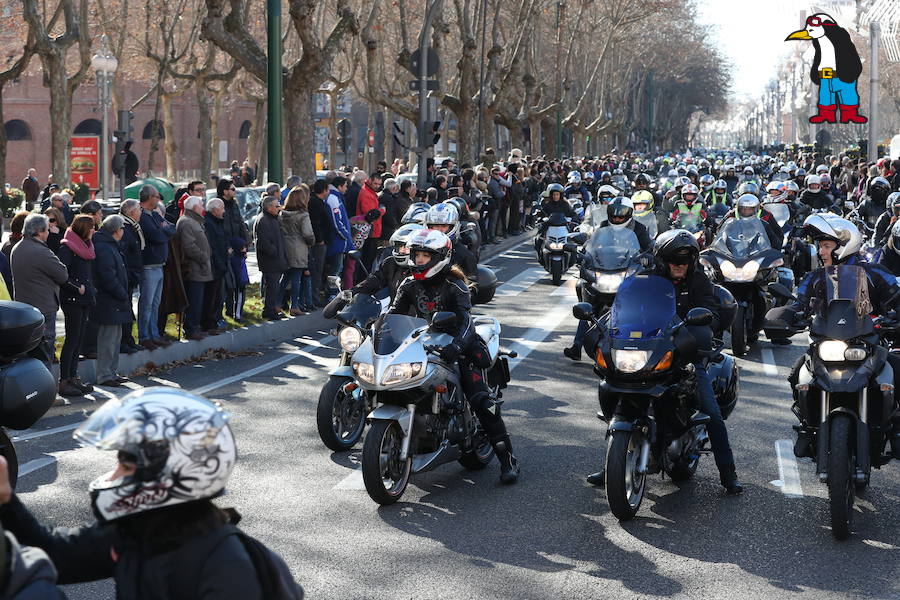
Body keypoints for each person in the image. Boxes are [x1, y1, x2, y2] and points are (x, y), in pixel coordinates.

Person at [0, 388, 287, 598]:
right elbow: (53, 553)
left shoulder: (227, 566)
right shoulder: (139, 532)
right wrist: (5, 500)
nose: (112, 478)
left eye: (125, 466)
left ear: (168, 475)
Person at [586, 229, 743, 494]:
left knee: (712, 413)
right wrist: (605, 326)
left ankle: (728, 474)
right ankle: (614, 460)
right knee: (611, 382)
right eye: (674, 260)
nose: (680, 265)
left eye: (685, 260)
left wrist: (701, 327)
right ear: (662, 259)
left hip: (685, 354)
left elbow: (712, 315)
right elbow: (623, 308)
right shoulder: (645, 280)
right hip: (649, 350)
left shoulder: (699, 282)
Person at [388, 229, 520, 483]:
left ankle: (507, 459)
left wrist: (457, 347)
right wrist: (379, 333)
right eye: (416, 255)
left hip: (462, 347)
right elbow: (394, 316)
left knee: (481, 401)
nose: (418, 261)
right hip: (425, 344)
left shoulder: (455, 285)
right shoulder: (409, 284)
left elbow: (466, 322)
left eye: (425, 256)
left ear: (440, 257)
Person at [786, 214, 900, 459]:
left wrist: (894, 315)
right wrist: (788, 313)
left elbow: (896, 293)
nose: (821, 251)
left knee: (897, 369)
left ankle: (896, 428)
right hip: (827, 341)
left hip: (867, 341)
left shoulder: (873, 272)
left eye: (826, 245)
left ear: (844, 245)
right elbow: (799, 301)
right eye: (820, 245)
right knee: (796, 373)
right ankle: (807, 428)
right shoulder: (816, 276)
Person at [9, 214, 69, 369]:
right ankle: (46, 389)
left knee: (29, 355)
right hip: (44, 308)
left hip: (24, 308)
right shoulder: (41, 251)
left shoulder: (17, 247)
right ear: (39, 231)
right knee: (45, 352)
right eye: (47, 230)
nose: (48, 233)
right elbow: (63, 274)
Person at [56, 214, 97, 397]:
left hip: (84, 298)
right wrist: (77, 287)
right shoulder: (67, 248)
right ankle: (64, 380)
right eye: (91, 227)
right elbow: (62, 274)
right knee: (72, 340)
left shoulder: (86, 246)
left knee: (78, 340)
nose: (94, 230)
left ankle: (74, 377)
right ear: (83, 229)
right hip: (73, 300)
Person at [92, 215, 133, 387]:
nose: (124, 231)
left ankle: (112, 372)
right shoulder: (104, 248)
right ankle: (104, 375)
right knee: (107, 341)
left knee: (115, 339)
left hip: (116, 301)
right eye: (122, 228)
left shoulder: (110, 246)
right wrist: (122, 293)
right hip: (109, 301)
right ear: (116, 231)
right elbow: (108, 277)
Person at [138, 185, 175, 349]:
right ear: (150, 197)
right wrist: (163, 231)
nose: (159, 199)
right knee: (146, 303)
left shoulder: (154, 214)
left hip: (159, 265)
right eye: (157, 196)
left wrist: (163, 230)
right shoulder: (143, 217)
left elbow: (171, 228)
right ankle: (145, 336)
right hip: (149, 266)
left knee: (155, 304)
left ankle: (154, 334)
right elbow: (156, 236)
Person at [351, 222, 425, 300]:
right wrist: (348, 294)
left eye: (406, 247)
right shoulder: (390, 264)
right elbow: (372, 282)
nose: (402, 251)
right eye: (399, 246)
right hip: (393, 310)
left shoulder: (427, 271)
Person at [176, 196, 213, 340]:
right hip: (194, 268)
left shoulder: (195, 221)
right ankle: (191, 328)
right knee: (194, 300)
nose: (203, 207)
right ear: (194, 207)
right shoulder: (186, 222)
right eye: (201, 205)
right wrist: (204, 257)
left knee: (199, 300)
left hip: (201, 268)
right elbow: (189, 246)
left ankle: (196, 326)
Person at [278, 185, 316, 315]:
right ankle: (294, 305)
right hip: (299, 248)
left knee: (285, 278)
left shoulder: (282, 214)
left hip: (285, 248)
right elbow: (308, 234)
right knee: (296, 278)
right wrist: (312, 242)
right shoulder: (303, 215)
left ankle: (277, 304)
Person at [255, 196, 289, 320]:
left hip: (276, 259)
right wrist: (275, 252)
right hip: (270, 261)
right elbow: (263, 243)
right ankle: (269, 311)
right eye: (276, 206)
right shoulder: (264, 220)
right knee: (272, 287)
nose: (278, 207)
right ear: (269, 208)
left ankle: (272, 309)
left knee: (274, 287)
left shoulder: (274, 219)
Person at [118, 200, 144, 354]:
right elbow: (124, 255)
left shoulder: (133, 227)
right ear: (131, 212)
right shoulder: (125, 229)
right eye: (138, 210)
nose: (140, 212)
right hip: (127, 276)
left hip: (132, 275)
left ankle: (128, 340)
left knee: (128, 310)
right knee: (125, 310)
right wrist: (131, 274)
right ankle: (124, 342)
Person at [424, 202, 476, 279]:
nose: (439, 230)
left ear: (452, 227)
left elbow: (472, 286)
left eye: (444, 226)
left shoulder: (465, 256)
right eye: (435, 226)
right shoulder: (418, 250)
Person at [202, 198, 229, 334]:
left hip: (220, 264)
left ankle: (214, 321)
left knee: (218, 296)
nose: (224, 211)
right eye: (222, 208)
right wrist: (219, 263)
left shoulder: (218, 222)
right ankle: (209, 323)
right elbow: (213, 246)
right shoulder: (209, 223)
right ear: (214, 210)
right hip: (214, 266)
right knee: (211, 297)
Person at [325, 176, 353, 300]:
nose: (346, 189)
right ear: (340, 186)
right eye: (345, 186)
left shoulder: (335, 197)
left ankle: (335, 292)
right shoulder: (333, 198)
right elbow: (337, 221)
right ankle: (332, 293)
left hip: (340, 240)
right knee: (335, 269)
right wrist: (346, 236)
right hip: (338, 241)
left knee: (338, 268)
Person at [356, 171, 385, 272]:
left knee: (368, 260)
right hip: (369, 232)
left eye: (379, 184)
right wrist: (382, 210)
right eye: (375, 184)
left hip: (371, 231)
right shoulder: (366, 194)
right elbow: (371, 215)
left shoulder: (369, 192)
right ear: (370, 181)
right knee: (367, 260)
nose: (377, 186)